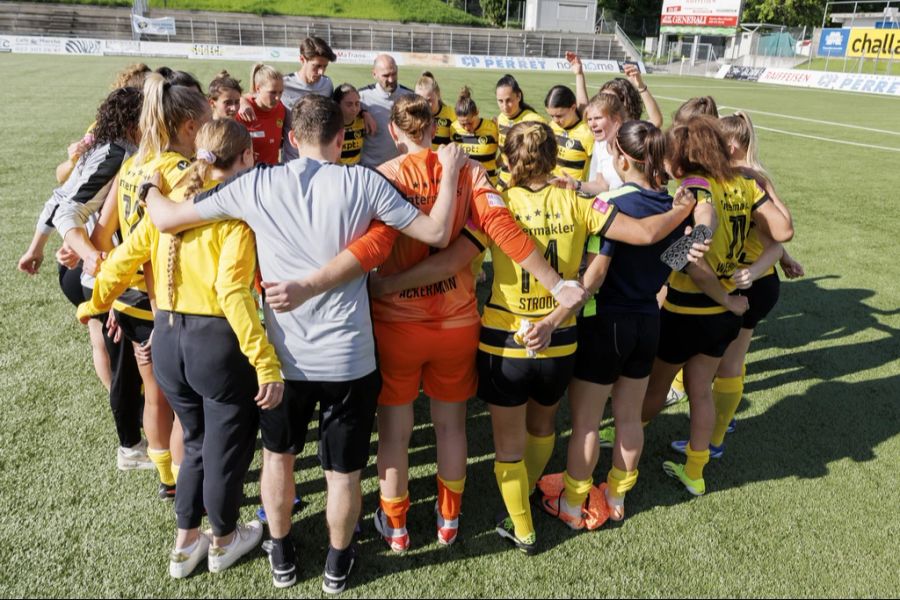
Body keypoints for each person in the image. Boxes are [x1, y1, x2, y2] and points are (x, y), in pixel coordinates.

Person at [143, 94, 469, 594]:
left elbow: (166, 219)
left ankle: (283, 556)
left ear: (292, 140)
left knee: (279, 459)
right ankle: (338, 565)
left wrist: (146, 185)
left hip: (283, 361)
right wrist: (448, 171)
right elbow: (439, 230)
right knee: (342, 473)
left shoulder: (256, 183)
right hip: (349, 359)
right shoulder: (363, 180)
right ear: (342, 140)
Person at [369, 121, 697, 554]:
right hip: (562, 339)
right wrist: (683, 209)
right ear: (554, 158)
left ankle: (521, 526)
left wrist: (392, 285)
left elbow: (450, 263)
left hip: (506, 340)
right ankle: (556, 497)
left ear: (507, 159)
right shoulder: (582, 202)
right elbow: (645, 235)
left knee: (505, 444)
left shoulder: (497, 205)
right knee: (545, 427)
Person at [349, 95, 586, 553]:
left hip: (396, 324)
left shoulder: (380, 176)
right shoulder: (470, 172)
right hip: (456, 322)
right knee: (451, 427)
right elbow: (501, 228)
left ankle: (396, 528)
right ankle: (448, 521)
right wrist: (556, 285)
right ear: (435, 128)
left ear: (395, 134)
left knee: (395, 433)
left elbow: (362, 243)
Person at [77, 119, 281, 579]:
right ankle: (225, 540)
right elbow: (232, 292)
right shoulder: (235, 216)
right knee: (225, 448)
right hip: (217, 345)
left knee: (194, 443)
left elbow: (124, 258)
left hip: (166, 338)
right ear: (246, 159)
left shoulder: (168, 209)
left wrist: (93, 305)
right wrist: (265, 362)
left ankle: (185, 543)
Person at [538, 120, 688, 527]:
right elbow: (677, 262)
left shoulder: (611, 202)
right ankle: (618, 498)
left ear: (622, 157)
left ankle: (571, 504)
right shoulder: (673, 204)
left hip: (606, 323)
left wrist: (559, 311)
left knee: (587, 421)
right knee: (628, 417)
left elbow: (597, 272)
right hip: (647, 322)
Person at [641, 116, 794, 497]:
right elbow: (783, 231)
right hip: (725, 313)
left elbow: (697, 252)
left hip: (689, 308)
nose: (664, 162)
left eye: (670, 155)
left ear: (687, 156)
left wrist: (695, 239)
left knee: (656, 386)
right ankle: (695, 471)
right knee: (701, 390)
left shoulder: (695, 184)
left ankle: (624, 435)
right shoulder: (744, 183)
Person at [88, 74, 211, 499]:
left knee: (155, 396)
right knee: (184, 408)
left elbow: (102, 238)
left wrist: (111, 298)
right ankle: (186, 484)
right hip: (166, 302)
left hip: (129, 297)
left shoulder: (131, 164)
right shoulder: (177, 170)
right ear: (188, 126)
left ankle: (166, 479)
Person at [19, 86, 148, 470]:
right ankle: (129, 445)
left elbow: (57, 197)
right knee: (120, 361)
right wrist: (88, 250)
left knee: (117, 356)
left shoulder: (103, 148)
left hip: (90, 268)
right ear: (132, 122)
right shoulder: (117, 153)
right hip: (97, 274)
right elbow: (68, 207)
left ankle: (138, 433)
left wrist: (38, 246)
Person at [669, 111, 805, 459]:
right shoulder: (749, 181)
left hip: (741, 282)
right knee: (730, 360)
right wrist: (780, 259)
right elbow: (776, 235)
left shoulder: (733, 183)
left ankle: (711, 439)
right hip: (758, 281)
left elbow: (779, 232)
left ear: (726, 145)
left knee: (720, 365)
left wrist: (753, 266)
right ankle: (715, 432)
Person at [359, 54, 413, 167]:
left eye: (394, 74)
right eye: (386, 75)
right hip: (372, 167)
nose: (391, 79)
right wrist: (362, 112)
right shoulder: (361, 96)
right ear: (374, 74)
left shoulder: (410, 96)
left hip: (399, 167)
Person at [495, 74, 545, 190]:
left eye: (509, 100)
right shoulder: (501, 118)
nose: (505, 106)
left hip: (525, 184)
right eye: (500, 101)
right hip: (503, 181)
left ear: (518, 96)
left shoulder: (534, 121)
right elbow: (504, 152)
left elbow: (542, 157)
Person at [236, 64, 286, 165]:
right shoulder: (243, 112)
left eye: (280, 92)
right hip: (248, 176)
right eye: (272, 92)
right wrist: (242, 101)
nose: (277, 98)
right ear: (258, 88)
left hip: (272, 174)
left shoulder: (281, 109)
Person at [544, 85, 594, 182]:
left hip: (572, 194)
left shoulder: (587, 134)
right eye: (551, 116)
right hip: (550, 190)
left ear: (573, 107)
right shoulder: (551, 127)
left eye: (559, 116)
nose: (555, 120)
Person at [450, 86, 500, 185]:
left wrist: (495, 165)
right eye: (462, 124)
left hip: (488, 184)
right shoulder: (453, 128)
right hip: (463, 185)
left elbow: (506, 150)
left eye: (470, 122)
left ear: (477, 112)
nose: (467, 128)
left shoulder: (493, 127)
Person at [414, 71, 455, 149]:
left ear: (438, 95)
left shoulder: (452, 115)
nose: (425, 104)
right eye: (421, 100)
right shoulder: (413, 115)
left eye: (429, 100)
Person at [333, 83, 365, 166]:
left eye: (357, 104)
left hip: (355, 171)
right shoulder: (330, 126)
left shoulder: (362, 122)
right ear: (337, 105)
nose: (354, 109)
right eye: (349, 104)